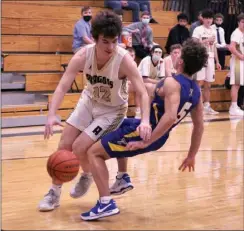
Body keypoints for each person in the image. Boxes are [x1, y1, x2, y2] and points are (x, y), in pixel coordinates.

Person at [80, 38, 208, 221]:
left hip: (150, 133)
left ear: (180, 61)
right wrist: (192, 155)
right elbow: (199, 126)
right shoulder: (196, 90)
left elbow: (170, 116)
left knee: (93, 152)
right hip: (154, 131)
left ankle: (105, 202)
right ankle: (123, 177)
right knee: (115, 124)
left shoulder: (172, 82)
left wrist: (145, 141)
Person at [38, 10, 152, 212]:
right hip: (89, 101)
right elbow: (63, 86)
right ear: (95, 38)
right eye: (105, 42)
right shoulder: (83, 55)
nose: (110, 47)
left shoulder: (124, 59)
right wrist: (51, 115)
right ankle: (54, 193)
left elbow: (142, 92)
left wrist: (144, 120)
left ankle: (87, 174)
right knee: (64, 144)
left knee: (81, 147)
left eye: (114, 42)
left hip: (112, 110)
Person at [192, 9, 222, 115]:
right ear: (202, 19)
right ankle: (196, 105)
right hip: (200, 57)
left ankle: (207, 105)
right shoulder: (198, 29)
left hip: (210, 58)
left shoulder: (213, 31)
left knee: (208, 84)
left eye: (210, 18)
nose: (209, 20)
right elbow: (194, 44)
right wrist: (206, 40)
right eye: (207, 18)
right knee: (199, 82)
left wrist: (217, 61)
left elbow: (214, 47)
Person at [228, 13, 244, 116]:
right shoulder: (237, 32)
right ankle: (233, 107)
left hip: (241, 61)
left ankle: (236, 106)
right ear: (238, 22)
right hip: (238, 61)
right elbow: (231, 47)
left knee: (239, 84)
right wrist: (241, 56)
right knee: (236, 84)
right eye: (243, 22)